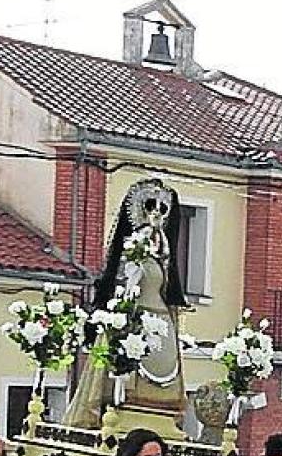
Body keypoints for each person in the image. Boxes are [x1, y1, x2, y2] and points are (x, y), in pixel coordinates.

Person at [63, 179, 190, 425]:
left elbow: (166, 286)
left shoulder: (161, 251)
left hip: (161, 320)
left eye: (163, 210)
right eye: (151, 208)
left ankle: (161, 421)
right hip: (134, 317)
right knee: (124, 369)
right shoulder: (134, 250)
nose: (157, 216)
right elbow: (124, 283)